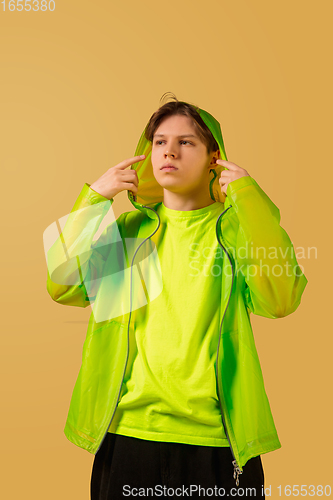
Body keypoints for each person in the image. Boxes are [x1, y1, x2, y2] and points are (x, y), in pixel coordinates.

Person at [45, 92, 308, 498]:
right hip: (127, 435)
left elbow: (280, 300)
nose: (169, 152)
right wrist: (95, 198)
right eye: (160, 142)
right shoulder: (131, 231)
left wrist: (248, 197)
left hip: (219, 441)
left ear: (213, 158)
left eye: (186, 142)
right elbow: (63, 287)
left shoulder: (236, 229)